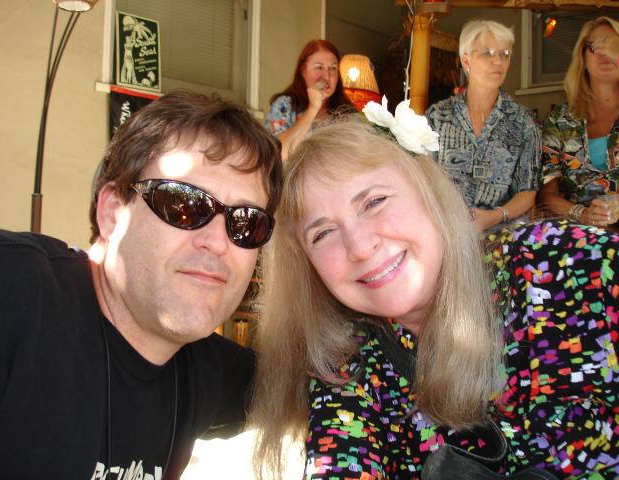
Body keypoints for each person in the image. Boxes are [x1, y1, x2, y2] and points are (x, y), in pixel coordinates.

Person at [248, 119, 619, 479]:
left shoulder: (556, 261)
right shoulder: (345, 363)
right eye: (323, 233)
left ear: (428, 192)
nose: (360, 247)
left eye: (375, 201)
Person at [0, 91, 283, 479]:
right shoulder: (4, 290)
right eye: (183, 204)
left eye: (246, 222)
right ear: (111, 212)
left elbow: (317, 385)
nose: (218, 242)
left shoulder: (207, 369)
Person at [426, 20, 541, 234]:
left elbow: (528, 191)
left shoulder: (523, 122)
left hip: (503, 234)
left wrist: (495, 216)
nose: (498, 61)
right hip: (446, 232)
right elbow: (423, 179)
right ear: (466, 60)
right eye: (487, 53)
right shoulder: (438, 116)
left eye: (505, 54)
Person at [538, 16, 619, 230]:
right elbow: (547, 195)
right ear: (583, 57)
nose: (604, 53)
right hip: (580, 236)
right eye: (595, 47)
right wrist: (582, 214)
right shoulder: (561, 120)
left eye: (613, 46)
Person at [264, 39, 355, 160]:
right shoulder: (285, 104)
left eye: (333, 68)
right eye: (319, 67)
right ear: (303, 71)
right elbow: (279, 153)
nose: (327, 76)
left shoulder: (347, 111)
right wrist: (312, 109)